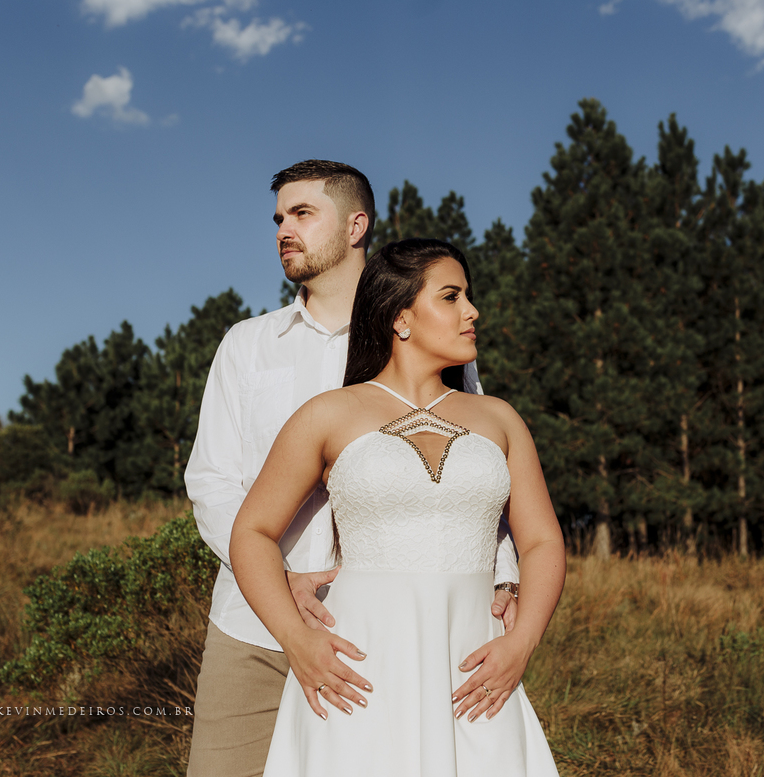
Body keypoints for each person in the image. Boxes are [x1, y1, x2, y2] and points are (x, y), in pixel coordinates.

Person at [184, 162, 519, 777]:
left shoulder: (426, 335)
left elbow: (474, 467)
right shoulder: (247, 345)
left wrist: (504, 572)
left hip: (389, 637)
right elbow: (210, 481)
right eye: (279, 218)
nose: (284, 230)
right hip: (252, 624)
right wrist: (279, 584)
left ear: (356, 224)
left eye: (302, 214)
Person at [231, 239, 565, 776]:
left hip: (476, 674)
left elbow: (543, 541)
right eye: (452, 296)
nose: (472, 311)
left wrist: (521, 645)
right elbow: (251, 532)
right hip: (356, 672)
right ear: (401, 318)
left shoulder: (500, 419)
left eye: (468, 297)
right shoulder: (327, 415)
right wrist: (296, 641)